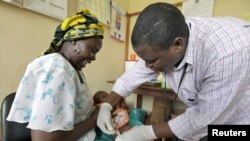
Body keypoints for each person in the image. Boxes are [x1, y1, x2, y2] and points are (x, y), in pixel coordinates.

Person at [96, 2, 250, 141]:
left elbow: (203, 119)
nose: (147, 66)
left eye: (152, 60)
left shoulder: (228, 54)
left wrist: (145, 132)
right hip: (209, 117)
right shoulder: (168, 37)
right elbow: (132, 75)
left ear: (178, 45)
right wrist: (106, 105)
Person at [7, 9, 104, 141]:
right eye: (92, 50)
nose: (94, 58)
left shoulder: (71, 67)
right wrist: (94, 120)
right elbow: (44, 139)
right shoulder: (59, 69)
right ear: (75, 41)